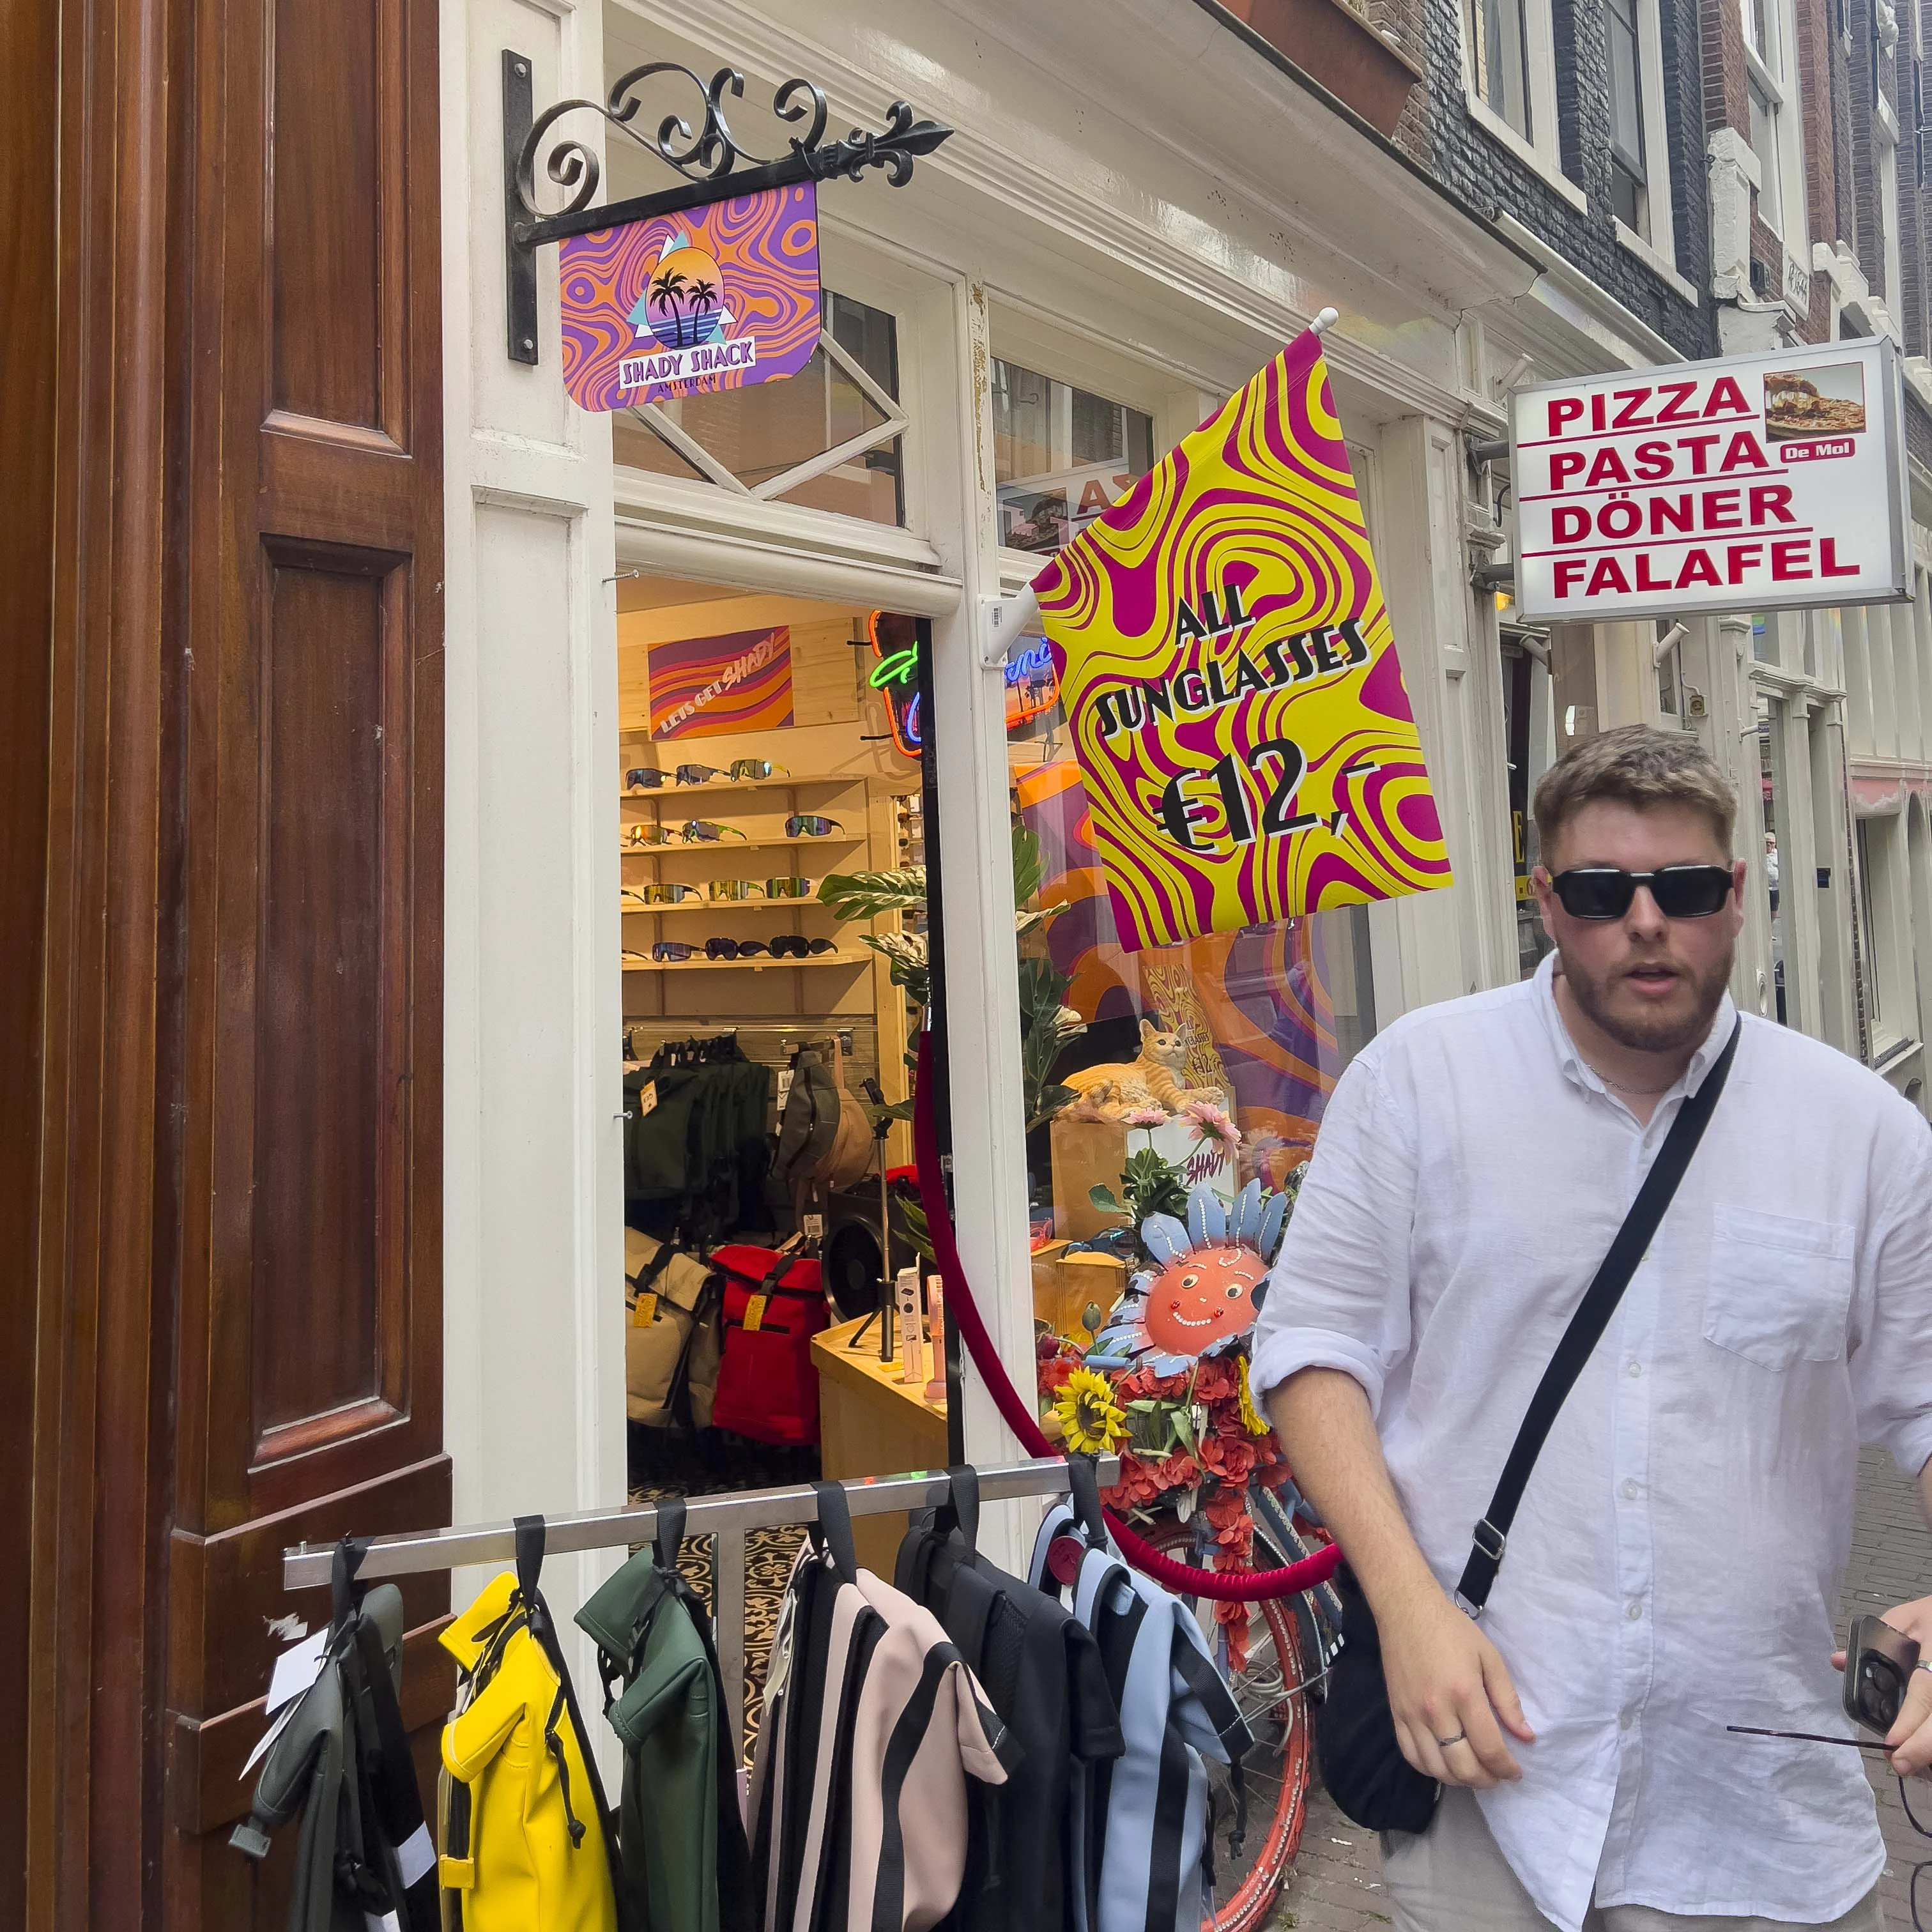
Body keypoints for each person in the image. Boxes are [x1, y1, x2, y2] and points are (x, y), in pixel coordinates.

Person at [1252, 725, 1932, 1932]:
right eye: (1601, 892)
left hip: (1759, 1818)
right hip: (1493, 1791)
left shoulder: (1861, 1133)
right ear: (1546, 903)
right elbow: (1314, 1353)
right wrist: (1407, 1609)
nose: (1645, 923)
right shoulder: (1418, 1083)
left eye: (1680, 889)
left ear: (1734, 893)